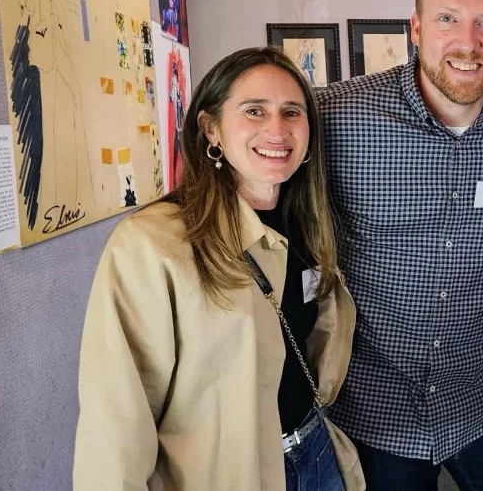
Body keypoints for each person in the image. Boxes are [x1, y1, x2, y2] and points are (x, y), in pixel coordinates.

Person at [318, 0, 483, 489]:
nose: (468, 43)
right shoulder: (337, 118)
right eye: (449, 18)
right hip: (373, 409)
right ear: (417, 28)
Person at [74, 47, 363, 491]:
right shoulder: (153, 244)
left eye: (292, 112)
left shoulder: (309, 224)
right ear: (211, 129)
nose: (277, 129)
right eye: (254, 111)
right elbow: (115, 427)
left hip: (315, 454)